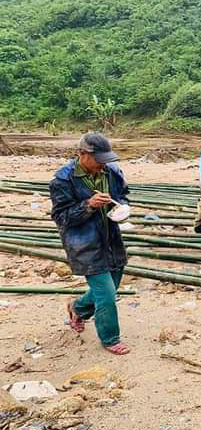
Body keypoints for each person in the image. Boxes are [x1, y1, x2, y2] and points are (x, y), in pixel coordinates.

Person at [50, 133, 131, 355]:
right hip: (84, 243)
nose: (102, 164)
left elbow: (124, 194)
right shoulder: (62, 180)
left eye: (106, 159)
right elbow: (61, 217)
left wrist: (121, 207)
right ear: (82, 154)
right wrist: (88, 205)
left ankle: (77, 308)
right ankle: (110, 338)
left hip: (111, 237)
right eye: (99, 160)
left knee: (111, 286)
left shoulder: (112, 171)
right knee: (106, 293)